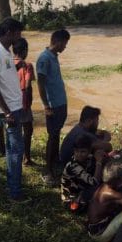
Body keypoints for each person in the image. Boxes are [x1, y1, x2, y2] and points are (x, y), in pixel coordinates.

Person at [0, 17, 27, 202]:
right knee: (16, 151)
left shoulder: (6, 52)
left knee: (13, 151)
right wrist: (7, 111)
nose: (20, 36)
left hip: (14, 107)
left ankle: (13, 186)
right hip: (9, 111)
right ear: (9, 32)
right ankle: (15, 193)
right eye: (18, 32)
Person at [36, 29, 70, 185]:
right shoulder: (44, 58)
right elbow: (40, 83)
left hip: (60, 102)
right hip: (53, 105)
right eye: (65, 43)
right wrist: (46, 105)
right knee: (52, 136)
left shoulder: (53, 56)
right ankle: (48, 171)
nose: (65, 47)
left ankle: (55, 163)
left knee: (56, 134)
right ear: (58, 41)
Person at [61, 135, 105, 211]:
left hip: (82, 191)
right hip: (72, 201)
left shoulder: (88, 158)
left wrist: (101, 156)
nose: (79, 154)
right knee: (104, 190)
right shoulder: (73, 166)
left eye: (83, 151)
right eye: (76, 151)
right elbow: (94, 182)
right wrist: (99, 162)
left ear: (89, 151)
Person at [12, 37, 36, 166]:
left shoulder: (8, 63)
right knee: (28, 130)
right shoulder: (27, 65)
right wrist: (28, 103)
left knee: (15, 131)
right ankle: (26, 158)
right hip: (23, 100)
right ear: (25, 50)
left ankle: (15, 157)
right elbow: (27, 86)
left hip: (10, 102)